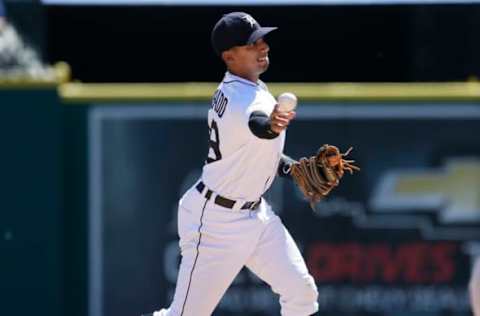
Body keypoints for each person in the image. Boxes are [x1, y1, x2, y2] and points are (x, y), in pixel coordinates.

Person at [143, 12, 318, 316]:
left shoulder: (250, 87)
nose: (262, 45)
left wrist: (293, 170)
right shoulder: (241, 100)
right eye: (251, 43)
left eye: (262, 38)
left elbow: (255, 152)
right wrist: (273, 126)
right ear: (229, 56)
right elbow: (258, 125)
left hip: (256, 215)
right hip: (216, 222)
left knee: (301, 292)